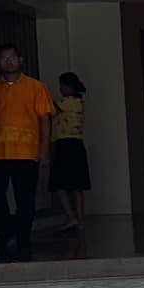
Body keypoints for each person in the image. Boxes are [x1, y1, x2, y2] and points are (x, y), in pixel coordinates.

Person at [0, 43, 54, 261]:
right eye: (3, 58)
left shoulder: (36, 87)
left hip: (26, 152)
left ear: (21, 60)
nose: (8, 62)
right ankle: (6, 232)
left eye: (12, 58)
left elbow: (44, 120)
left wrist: (45, 150)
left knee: (25, 198)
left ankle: (23, 238)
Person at [49, 72, 91, 233]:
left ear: (69, 87)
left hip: (65, 145)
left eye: (62, 86)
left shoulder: (68, 102)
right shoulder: (80, 101)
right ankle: (79, 220)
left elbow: (51, 109)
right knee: (77, 186)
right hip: (77, 146)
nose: (60, 89)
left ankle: (71, 216)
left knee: (61, 185)